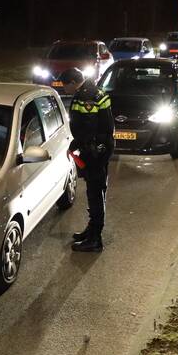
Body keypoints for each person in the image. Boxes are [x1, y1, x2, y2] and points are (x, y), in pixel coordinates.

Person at [60, 67, 114, 252]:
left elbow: (89, 126)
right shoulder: (94, 91)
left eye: (65, 85)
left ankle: (95, 239)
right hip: (100, 147)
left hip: (95, 151)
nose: (64, 89)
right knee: (96, 191)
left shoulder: (87, 96)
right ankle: (91, 230)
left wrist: (84, 147)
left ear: (73, 83)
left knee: (95, 193)